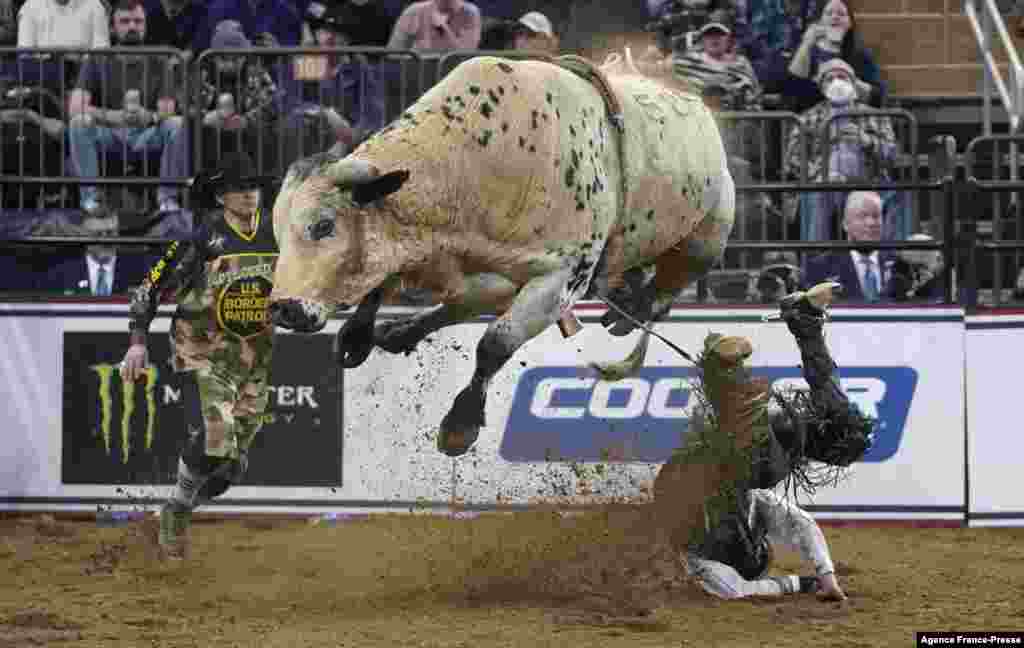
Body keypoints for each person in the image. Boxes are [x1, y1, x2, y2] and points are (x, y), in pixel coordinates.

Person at [654, 281, 873, 600]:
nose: (751, 547)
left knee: (743, 456)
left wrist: (804, 582)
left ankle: (723, 374)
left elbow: (737, 590)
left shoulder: (700, 563)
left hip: (690, 478)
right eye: (758, 550)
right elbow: (803, 526)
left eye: (752, 553)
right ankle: (806, 324)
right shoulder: (758, 507)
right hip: (743, 459)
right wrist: (820, 579)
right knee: (846, 436)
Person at [119, 152, 279, 558]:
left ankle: (179, 505)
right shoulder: (202, 237)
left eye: (252, 187)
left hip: (253, 354)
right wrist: (138, 340)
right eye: (238, 189)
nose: (248, 195)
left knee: (232, 466)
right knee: (216, 436)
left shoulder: (280, 233)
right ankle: (176, 510)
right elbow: (150, 286)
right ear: (222, 196)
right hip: (202, 350)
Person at [67, 0, 184, 218]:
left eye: (138, 21)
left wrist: (147, 116)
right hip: (109, 134)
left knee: (176, 124)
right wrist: (113, 116)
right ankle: (90, 200)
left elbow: (167, 110)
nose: (132, 26)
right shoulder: (97, 59)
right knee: (78, 122)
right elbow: (75, 107)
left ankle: (167, 199)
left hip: (146, 135)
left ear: (145, 26)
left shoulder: (160, 60)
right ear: (113, 27)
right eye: (125, 21)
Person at [157, 20, 281, 213]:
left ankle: (268, 201)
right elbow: (186, 107)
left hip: (246, 136)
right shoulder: (203, 69)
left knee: (268, 132)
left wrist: (245, 121)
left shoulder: (256, 70)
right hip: (208, 137)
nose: (230, 63)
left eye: (236, 58)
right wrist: (206, 117)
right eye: (224, 58)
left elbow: (271, 107)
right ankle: (172, 197)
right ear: (214, 56)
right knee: (180, 128)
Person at [783, 59, 901, 241]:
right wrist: (820, 174)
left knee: (885, 198)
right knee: (818, 196)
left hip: (868, 182)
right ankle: (817, 261)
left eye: (842, 77)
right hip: (824, 184)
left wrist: (867, 140)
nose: (836, 82)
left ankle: (877, 263)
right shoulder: (807, 117)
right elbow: (793, 160)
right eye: (830, 79)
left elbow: (893, 156)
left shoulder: (875, 115)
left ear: (853, 83)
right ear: (822, 87)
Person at [277, 1, 386, 166]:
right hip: (310, 142)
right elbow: (288, 102)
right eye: (325, 31)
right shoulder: (309, 64)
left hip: (350, 148)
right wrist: (325, 113)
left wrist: (344, 143)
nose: (329, 38)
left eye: (337, 33)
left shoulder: (359, 68)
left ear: (347, 40)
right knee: (293, 124)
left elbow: (372, 116)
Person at [786, 0, 885, 112]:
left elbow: (878, 97)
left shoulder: (860, 55)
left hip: (851, 119)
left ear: (850, 23)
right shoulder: (807, 52)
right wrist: (807, 43)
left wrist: (851, 81)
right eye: (829, 13)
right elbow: (792, 88)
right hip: (813, 120)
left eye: (841, 14)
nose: (835, 17)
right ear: (820, 21)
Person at [802, 190, 892, 302]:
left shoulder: (897, 265)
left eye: (876, 216)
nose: (871, 223)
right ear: (845, 224)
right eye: (862, 216)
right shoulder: (821, 268)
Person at [40, 214, 150, 295]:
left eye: (110, 233)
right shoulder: (63, 271)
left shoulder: (139, 267)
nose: (105, 240)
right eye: (98, 234)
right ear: (83, 236)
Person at [387, 0, 481, 51]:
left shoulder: (470, 13)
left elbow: (466, 54)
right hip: (418, 74)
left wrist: (444, 28)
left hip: (454, 75)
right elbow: (394, 51)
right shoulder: (414, 11)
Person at [16, 0, 109, 49]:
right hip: (43, 74)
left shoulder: (95, 5)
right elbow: (25, 54)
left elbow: (101, 51)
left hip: (83, 75)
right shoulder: (30, 7)